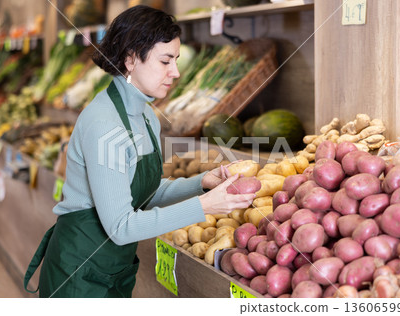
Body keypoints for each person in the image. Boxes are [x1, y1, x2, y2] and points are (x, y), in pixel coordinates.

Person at [24, 5, 255, 298]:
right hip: (78, 273)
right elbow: (121, 226)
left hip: (113, 268)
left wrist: (201, 183)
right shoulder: (104, 123)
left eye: (176, 60)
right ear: (131, 59)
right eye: (165, 61)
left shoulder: (145, 116)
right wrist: (205, 206)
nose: (176, 72)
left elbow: (145, 194)